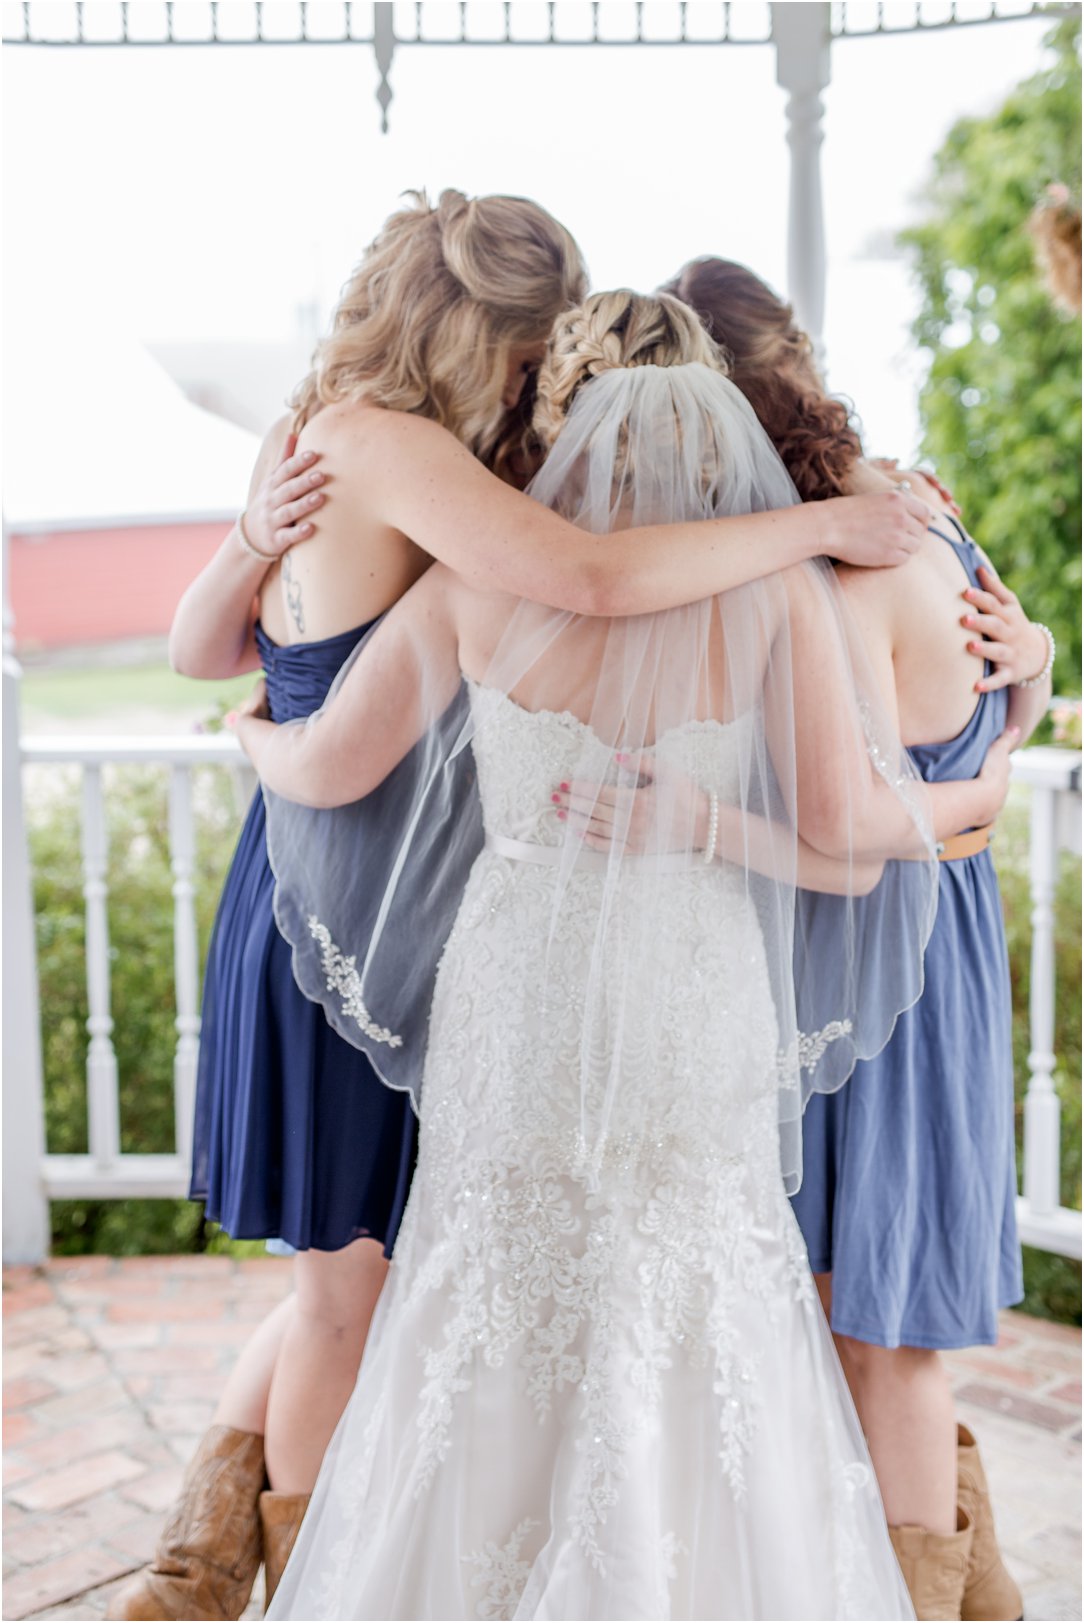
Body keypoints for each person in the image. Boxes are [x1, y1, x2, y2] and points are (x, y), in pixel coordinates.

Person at [116, 198, 934, 1623]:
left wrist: (247, 739)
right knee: (680, 1290)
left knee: (463, 1287)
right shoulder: (776, 598)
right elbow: (849, 847)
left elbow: (305, 736)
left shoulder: (454, 572)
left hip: (509, 978)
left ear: (564, 402)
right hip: (681, 978)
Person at [655, 256, 1052, 1621]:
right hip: (926, 938)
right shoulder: (925, 514)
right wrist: (1034, 688)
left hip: (873, 965)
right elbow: (993, 718)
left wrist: (700, 823)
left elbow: (844, 824)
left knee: (876, 1332)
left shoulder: (828, 563)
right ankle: (971, 1597)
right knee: (865, 1320)